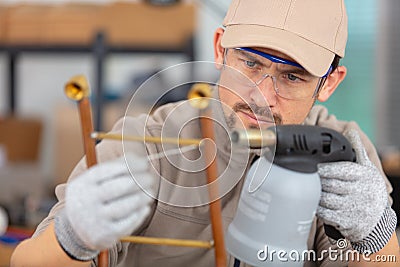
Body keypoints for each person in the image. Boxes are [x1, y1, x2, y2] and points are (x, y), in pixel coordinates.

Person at [11, 0, 399, 266]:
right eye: (249, 63)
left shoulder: (343, 155)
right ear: (219, 49)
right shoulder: (150, 143)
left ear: (329, 83)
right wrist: (72, 238)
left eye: (292, 76)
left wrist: (376, 233)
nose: (261, 97)